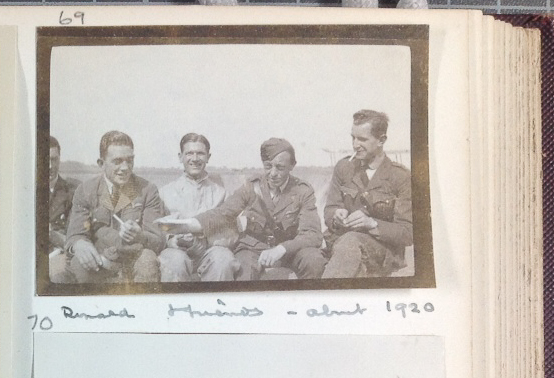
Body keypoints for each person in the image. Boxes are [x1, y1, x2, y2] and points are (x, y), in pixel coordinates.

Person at [159, 137, 325, 281]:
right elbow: (223, 213)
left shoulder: (303, 191)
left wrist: (282, 249)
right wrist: (189, 225)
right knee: (242, 271)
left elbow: (312, 234)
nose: (273, 173)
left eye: (280, 167)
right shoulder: (251, 187)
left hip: (290, 249)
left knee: (314, 261)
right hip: (253, 248)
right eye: (268, 166)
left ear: (292, 165)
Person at [322, 109, 413, 278]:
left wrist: (371, 224)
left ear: (381, 140)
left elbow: (407, 233)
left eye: (362, 139)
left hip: (382, 252)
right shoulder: (344, 168)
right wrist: (336, 215)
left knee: (350, 243)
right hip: (341, 245)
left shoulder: (400, 177)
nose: (355, 144)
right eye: (353, 138)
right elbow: (330, 209)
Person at [64, 131, 164, 285]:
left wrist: (140, 236)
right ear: (101, 163)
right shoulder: (85, 190)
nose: (125, 168)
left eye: (129, 161)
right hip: (99, 260)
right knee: (79, 263)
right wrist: (79, 244)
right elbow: (75, 235)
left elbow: (158, 241)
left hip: (134, 260)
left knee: (147, 260)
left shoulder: (147, 190)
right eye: (117, 161)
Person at [157, 133, 238, 283]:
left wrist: (206, 242)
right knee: (174, 263)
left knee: (223, 259)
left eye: (200, 153)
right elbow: (158, 229)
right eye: (189, 153)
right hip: (177, 250)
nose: (195, 159)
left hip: (210, 250)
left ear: (208, 157)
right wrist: (170, 241)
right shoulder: (165, 192)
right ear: (180, 157)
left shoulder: (221, 193)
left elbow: (232, 233)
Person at [47, 135, 79, 284]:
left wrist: (50, 233)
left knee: (58, 274)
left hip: (59, 256)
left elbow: (72, 237)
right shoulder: (24, 191)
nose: (50, 166)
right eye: (45, 159)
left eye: (54, 159)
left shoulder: (72, 191)